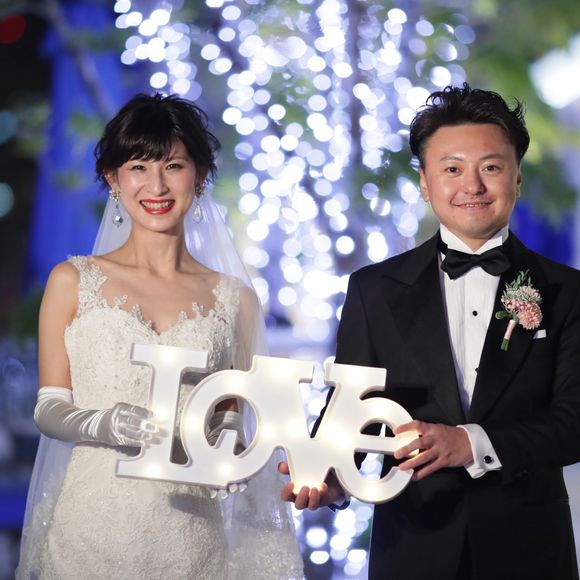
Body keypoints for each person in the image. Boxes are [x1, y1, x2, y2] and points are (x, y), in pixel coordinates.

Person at [281, 83, 580, 579]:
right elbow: (354, 413)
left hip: (529, 550)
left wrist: (471, 442)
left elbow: (574, 422)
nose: (472, 186)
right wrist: (332, 478)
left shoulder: (567, 291)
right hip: (412, 547)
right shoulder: (374, 290)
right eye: (452, 169)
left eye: (490, 167)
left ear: (517, 177)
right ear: (425, 182)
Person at [17, 93, 303, 580]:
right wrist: (102, 424)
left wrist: (229, 451)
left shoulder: (235, 300)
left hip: (192, 538)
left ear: (200, 176)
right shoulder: (72, 282)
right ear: (113, 178)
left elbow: (233, 415)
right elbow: (49, 408)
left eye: (173, 165)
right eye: (138, 167)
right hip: (90, 534)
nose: (157, 185)